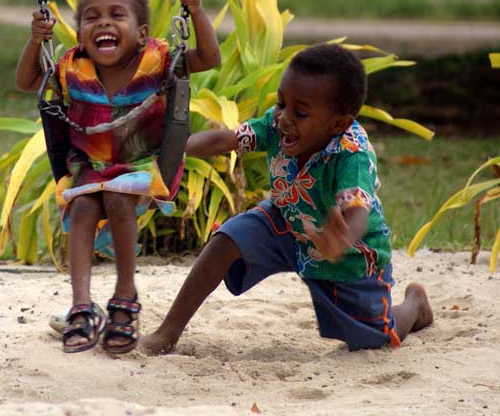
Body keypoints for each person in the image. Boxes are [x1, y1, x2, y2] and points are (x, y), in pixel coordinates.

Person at [141, 44, 434, 355]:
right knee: (226, 240)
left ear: (337, 124)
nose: (284, 118)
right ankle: (167, 334)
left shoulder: (352, 154)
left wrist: (341, 238)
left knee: (375, 337)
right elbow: (226, 138)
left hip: (345, 253)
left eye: (300, 112)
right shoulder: (276, 123)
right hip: (285, 220)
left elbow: (357, 210)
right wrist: (176, 146)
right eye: (281, 103)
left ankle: (414, 306)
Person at [15, 0, 220, 354]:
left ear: (141, 33)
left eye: (116, 15)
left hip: (141, 164)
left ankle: (125, 296)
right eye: (91, 17)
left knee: (117, 200)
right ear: (79, 35)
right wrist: (35, 41)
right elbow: (27, 80)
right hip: (89, 166)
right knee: (82, 207)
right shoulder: (71, 66)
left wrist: (196, 10)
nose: (104, 22)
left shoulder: (158, 60)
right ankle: (81, 305)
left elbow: (209, 57)